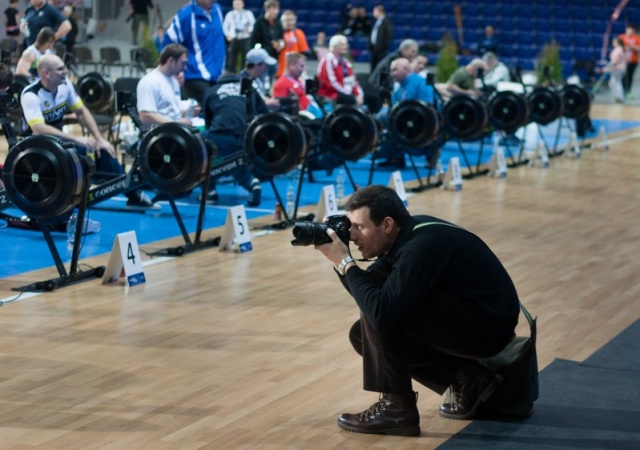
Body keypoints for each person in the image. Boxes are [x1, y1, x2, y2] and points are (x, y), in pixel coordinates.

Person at [312, 185, 520, 436]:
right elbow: (366, 293)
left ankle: (398, 409)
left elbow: (379, 310)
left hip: (488, 328)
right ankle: (468, 377)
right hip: (473, 317)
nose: (353, 235)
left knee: (384, 310)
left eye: (359, 227)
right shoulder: (406, 234)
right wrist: (340, 262)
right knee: (362, 334)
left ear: (387, 224)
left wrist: (345, 262)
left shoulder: (420, 247)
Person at [20, 54, 158, 211]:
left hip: (59, 143)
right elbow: (39, 128)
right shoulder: (30, 94)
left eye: (64, 67)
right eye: (60, 69)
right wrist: (77, 139)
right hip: (35, 146)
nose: (65, 71)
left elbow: (81, 111)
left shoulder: (66, 86)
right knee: (77, 154)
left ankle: (133, 194)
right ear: (46, 73)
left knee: (103, 151)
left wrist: (99, 139)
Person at [199, 49, 273, 207]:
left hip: (220, 136)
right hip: (248, 139)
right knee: (235, 158)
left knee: (199, 143)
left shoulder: (212, 91)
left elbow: (208, 122)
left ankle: (209, 191)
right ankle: (252, 183)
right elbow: (265, 113)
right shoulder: (249, 88)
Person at [163, 0, 226, 105]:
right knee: (215, 107)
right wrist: (176, 71)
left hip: (217, 75)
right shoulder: (186, 15)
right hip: (195, 76)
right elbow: (168, 43)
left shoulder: (217, 10)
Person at [376, 57, 435, 168]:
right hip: (401, 120)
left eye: (395, 70)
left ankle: (428, 153)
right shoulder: (398, 86)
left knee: (385, 116)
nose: (391, 74)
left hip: (419, 121)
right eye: (391, 70)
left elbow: (428, 106)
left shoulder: (420, 82)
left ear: (406, 69)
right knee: (382, 116)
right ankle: (395, 157)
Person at [136, 44, 195, 126]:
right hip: (161, 134)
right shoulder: (149, 82)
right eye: (182, 63)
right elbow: (145, 116)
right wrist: (175, 124)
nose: (184, 67)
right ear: (171, 61)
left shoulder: (173, 80)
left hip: (173, 129)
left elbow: (171, 111)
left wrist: (189, 110)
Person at [272, 51, 322, 119]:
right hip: (304, 117)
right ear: (292, 66)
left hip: (310, 111)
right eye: (301, 66)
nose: (303, 69)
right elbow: (280, 108)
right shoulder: (280, 84)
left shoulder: (297, 79)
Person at [317, 34, 363, 107]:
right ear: (334, 47)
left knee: (372, 99)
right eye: (342, 44)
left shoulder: (345, 62)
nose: (346, 47)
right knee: (351, 99)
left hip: (345, 92)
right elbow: (331, 83)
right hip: (331, 94)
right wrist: (348, 93)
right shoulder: (328, 60)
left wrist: (359, 94)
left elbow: (353, 81)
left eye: (346, 44)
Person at [250, 0, 283, 87]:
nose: (276, 11)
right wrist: (264, 48)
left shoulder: (278, 23)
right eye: (274, 8)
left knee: (272, 83)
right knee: (262, 84)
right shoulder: (259, 23)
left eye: (277, 8)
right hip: (262, 60)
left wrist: (280, 45)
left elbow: (282, 39)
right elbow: (254, 42)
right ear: (267, 9)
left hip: (274, 58)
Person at [223, 0, 255, 74]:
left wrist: (249, 30)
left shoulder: (248, 14)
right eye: (235, 4)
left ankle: (245, 73)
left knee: (246, 57)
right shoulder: (230, 15)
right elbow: (225, 26)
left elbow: (253, 24)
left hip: (245, 39)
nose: (237, 5)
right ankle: (231, 73)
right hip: (234, 39)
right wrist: (227, 35)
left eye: (238, 3)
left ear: (242, 4)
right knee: (232, 58)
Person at [276, 9, 309, 78]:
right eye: (286, 20)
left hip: (296, 71)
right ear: (282, 21)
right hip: (280, 71)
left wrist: (302, 68)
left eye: (291, 20)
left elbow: (303, 53)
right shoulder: (277, 34)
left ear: (295, 21)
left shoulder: (299, 33)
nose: (289, 22)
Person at [368, 4, 393, 73]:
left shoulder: (386, 22)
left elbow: (388, 36)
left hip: (381, 49)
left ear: (380, 12)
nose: (373, 13)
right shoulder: (376, 22)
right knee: (373, 66)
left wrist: (382, 46)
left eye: (375, 11)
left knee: (380, 66)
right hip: (374, 48)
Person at [619, 25, 640, 100]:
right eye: (628, 30)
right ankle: (622, 91)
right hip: (623, 61)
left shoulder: (636, 38)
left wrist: (633, 47)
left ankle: (628, 91)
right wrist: (625, 47)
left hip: (634, 60)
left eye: (631, 30)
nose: (630, 32)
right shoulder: (622, 37)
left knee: (630, 76)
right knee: (624, 76)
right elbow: (618, 47)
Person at [606, 37, 626, 104]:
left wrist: (607, 68)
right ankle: (618, 97)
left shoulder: (618, 50)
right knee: (612, 83)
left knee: (617, 83)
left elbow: (614, 61)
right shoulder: (620, 49)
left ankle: (620, 97)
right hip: (618, 69)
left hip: (617, 69)